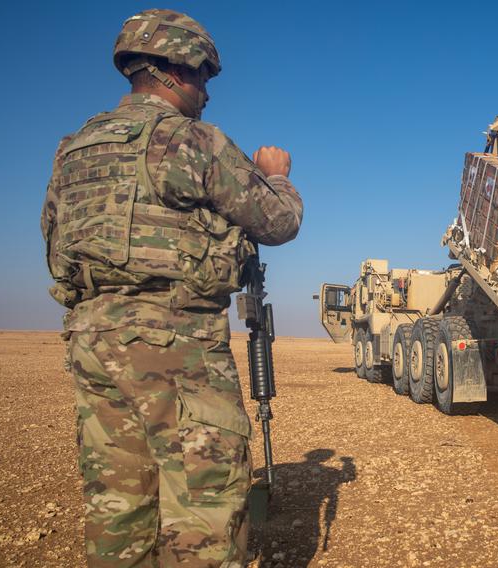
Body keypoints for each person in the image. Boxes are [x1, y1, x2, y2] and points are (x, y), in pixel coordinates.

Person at [40, 9, 303, 566]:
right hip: (177, 343)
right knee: (203, 510)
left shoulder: (72, 149)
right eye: (204, 76)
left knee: (118, 506)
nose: (207, 91)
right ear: (177, 69)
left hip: (92, 342)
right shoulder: (190, 141)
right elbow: (278, 223)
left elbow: (54, 239)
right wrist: (275, 174)